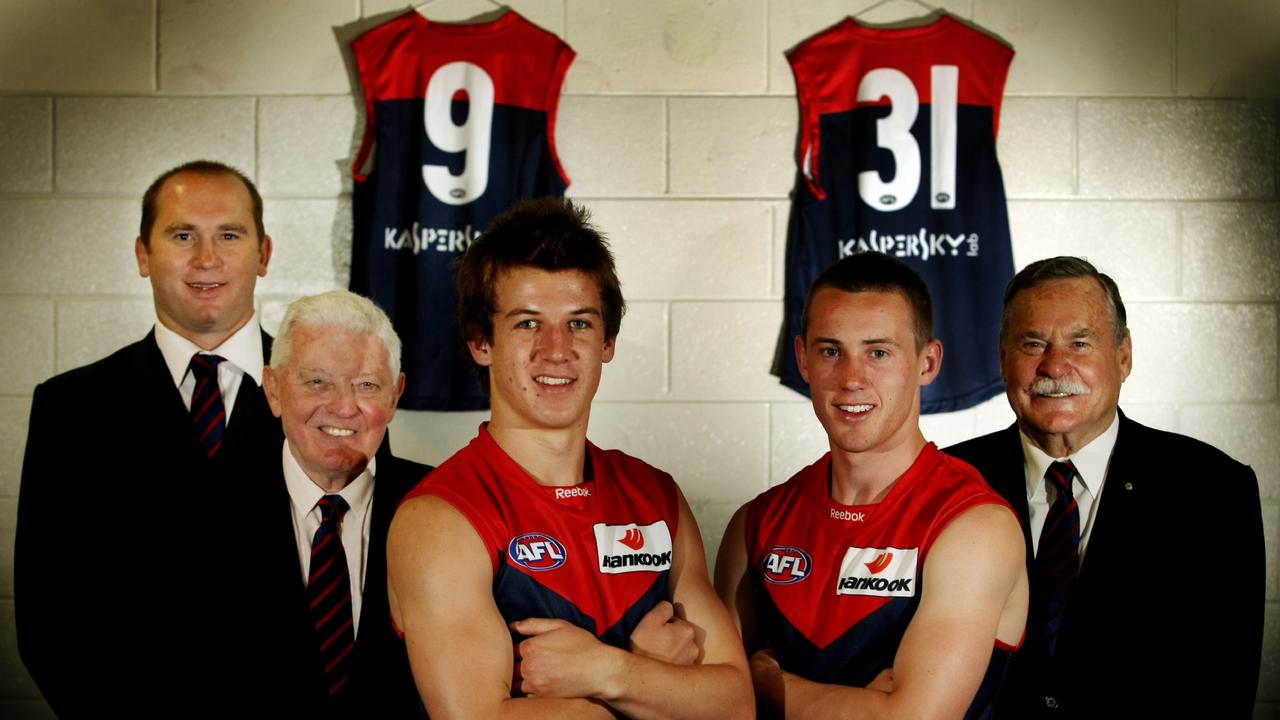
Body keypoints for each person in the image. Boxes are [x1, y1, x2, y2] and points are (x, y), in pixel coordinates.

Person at [387, 197, 753, 719]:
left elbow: (736, 706)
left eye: (579, 323)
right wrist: (656, 686)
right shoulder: (440, 519)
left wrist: (608, 671)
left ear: (608, 341)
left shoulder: (656, 496)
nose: (556, 349)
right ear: (480, 341)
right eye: (527, 323)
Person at [15, 160, 281, 714]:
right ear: (143, 254)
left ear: (263, 254)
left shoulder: (337, 396)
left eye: (229, 235)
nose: (207, 259)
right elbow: (47, 617)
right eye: (182, 235)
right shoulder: (70, 408)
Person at [945, 256, 1264, 718]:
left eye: (1080, 342)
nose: (1055, 365)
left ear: (1123, 356)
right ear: (1002, 358)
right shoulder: (945, 480)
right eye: (1033, 343)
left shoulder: (1214, 491)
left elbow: (1224, 692)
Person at [717, 251, 1028, 719]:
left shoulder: (973, 525)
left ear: (927, 363)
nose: (852, 379)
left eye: (878, 352)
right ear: (802, 359)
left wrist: (763, 683)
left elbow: (914, 719)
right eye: (830, 351)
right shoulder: (756, 524)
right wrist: (865, 704)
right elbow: (709, 702)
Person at [248, 289, 429, 716]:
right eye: (317, 382)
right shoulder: (197, 511)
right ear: (273, 390)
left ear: (394, 395)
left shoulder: (446, 504)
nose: (344, 407)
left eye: (366, 385)